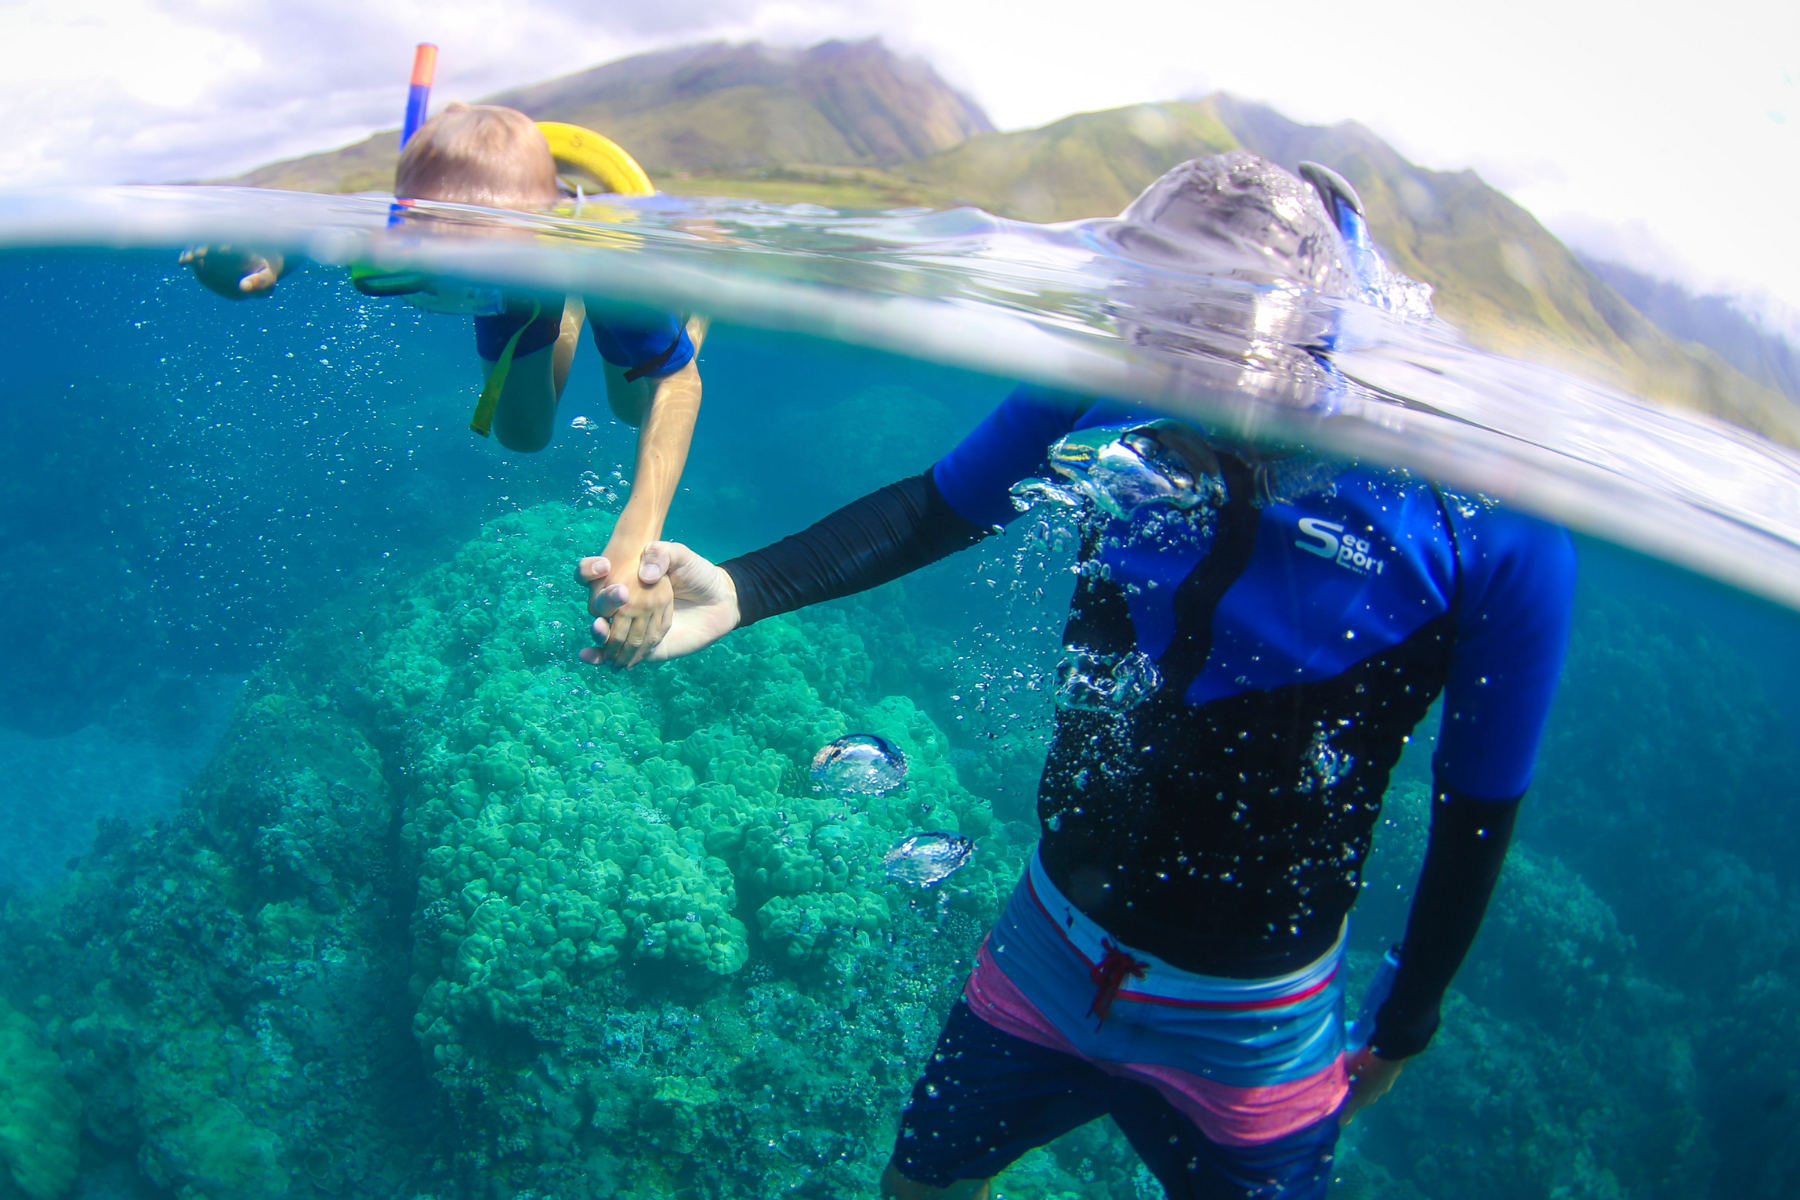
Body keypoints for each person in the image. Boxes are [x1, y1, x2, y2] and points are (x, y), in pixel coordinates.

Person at [576, 152, 1577, 1199]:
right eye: (1156, 375)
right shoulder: (1098, 383)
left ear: (1313, 356)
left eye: (1223, 408)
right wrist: (740, 590)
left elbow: (1480, 809)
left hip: (1256, 1031)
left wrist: (1407, 1019)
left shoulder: (1489, 519)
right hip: (1046, 950)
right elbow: (940, 507)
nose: (1182, 430)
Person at [186, 104, 702, 664]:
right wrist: (268, 259)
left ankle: (678, 313)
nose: (454, 285)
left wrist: (636, 535)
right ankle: (559, 308)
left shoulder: (602, 255)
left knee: (631, 407)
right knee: (522, 436)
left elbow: (680, 382)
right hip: (516, 286)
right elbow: (310, 234)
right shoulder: (405, 234)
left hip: (575, 262)